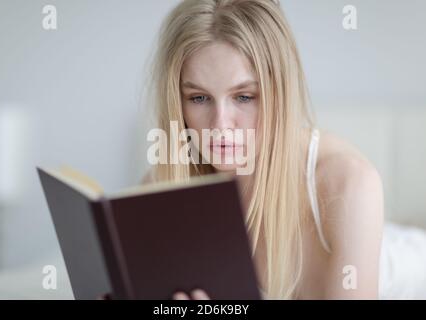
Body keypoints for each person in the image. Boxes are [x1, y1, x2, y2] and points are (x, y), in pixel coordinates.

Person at [141, 0, 426, 299]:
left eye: (244, 96)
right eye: (199, 98)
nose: (220, 125)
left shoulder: (347, 183)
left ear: (280, 92)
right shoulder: (167, 182)